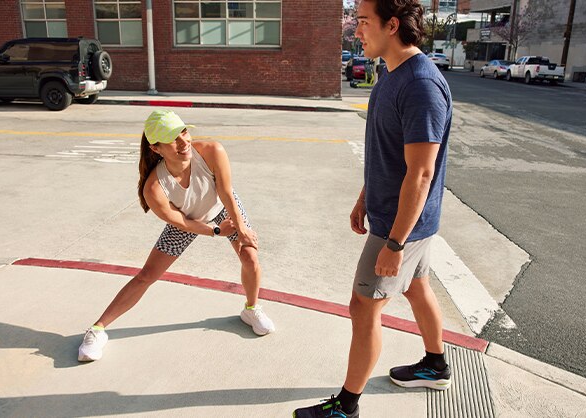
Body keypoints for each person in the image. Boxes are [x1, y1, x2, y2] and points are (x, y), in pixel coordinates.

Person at [294, 0, 452, 416]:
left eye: (364, 22)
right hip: (398, 218)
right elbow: (388, 152)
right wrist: (365, 196)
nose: (356, 30)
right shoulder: (390, 74)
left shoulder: (420, 85)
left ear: (392, 25)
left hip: (401, 226)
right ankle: (436, 365)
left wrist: (394, 244)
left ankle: (346, 407)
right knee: (417, 287)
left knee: (363, 306)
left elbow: (421, 173)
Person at [78, 110, 275, 362]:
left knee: (250, 257)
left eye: (184, 131)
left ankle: (251, 309)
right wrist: (215, 231)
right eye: (173, 138)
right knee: (146, 275)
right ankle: (97, 330)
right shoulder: (154, 188)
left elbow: (226, 192)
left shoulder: (212, 151)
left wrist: (241, 228)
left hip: (223, 208)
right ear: (156, 148)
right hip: (188, 220)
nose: (184, 142)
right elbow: (181, 222)